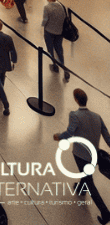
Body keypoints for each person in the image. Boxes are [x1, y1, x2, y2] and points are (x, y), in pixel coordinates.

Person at [54, 89, 110, 224]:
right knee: (85, 175)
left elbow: (69, 133)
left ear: (76, 100)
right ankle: (80, 189)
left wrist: (59, 137)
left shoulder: (74, 115)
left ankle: (105, 212)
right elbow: (107, 136)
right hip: (95, 154)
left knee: (89, 181)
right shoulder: (97, 116)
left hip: (81, 155)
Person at [41, 0, 69, 82]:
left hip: (49, 31)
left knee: (50, 49)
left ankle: (55, 65)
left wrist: (42, 26)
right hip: (59, 32)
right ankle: (64, 68)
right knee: (59, 49)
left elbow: (45, 20)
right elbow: (65, 17)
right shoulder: (61, 6)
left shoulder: (47, 7)